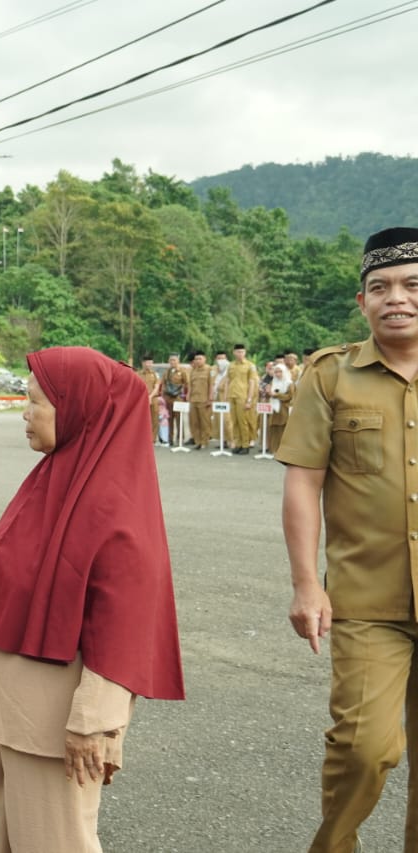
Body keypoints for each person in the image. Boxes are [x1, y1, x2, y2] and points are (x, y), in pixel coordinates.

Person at [0, 346, 185, 851]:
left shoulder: (115, 510)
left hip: (52, 726)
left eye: (35, 401)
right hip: (2, 705)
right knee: (7, 840)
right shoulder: (53, 478)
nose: (25, 412)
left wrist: (93, 722)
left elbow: (126, 623)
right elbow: (0, 577)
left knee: (55, 842)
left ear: (78, 408)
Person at [279, 226, 418, 853]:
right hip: (367, 602)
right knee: (364, 748)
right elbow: (303, 484)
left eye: (413, 285)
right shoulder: (332, 376)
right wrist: (307, 585)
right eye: (380, 287)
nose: (397, 298)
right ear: (361, 301)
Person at [226, 343, 259, 453]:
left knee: (243, 421)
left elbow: (252, 383)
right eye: (238, 352)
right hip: (232, 395)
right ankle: (238, 444)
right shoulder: (231, 365)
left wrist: (249, 399)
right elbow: (228, 380)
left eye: (242, 352)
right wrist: (226, 395)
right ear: (234, 352)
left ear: (245, 353)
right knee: (234, 421)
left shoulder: (250, 365)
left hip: (243, 396)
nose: (240, 354)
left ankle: (245, 444)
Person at [187, 351, 213, 449]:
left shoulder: (209, 370)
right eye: (196, 359)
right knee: (194, 421)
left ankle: (204, 441)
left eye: (200, 359)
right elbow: (190, 385)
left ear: (205, 359)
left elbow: (211, 385)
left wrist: (210, 398)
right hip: (194, 399)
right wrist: (188, 394)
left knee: (204, 422)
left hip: (204, 400)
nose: (198, 361)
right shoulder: (193, 371)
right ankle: (197, 441)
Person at [161, 353, 189, 445]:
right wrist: (163, 396)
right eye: (171, 360)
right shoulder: (167, 372)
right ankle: (170, 439)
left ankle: (180, 438)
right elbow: (163, 384)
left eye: (174, 360)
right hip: (168, 398)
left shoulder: (183, 371)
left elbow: (186, 384)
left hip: (178, 398)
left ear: (178, 361)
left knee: (179, 419)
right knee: (169, 420)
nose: (172, 362)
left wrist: (185, 394)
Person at [136, 355, 161, 443]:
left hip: (153, 399)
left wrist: (150, 397)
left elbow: (157, 387)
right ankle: (142, 438)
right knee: (142, 419)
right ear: (143, 363)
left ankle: (152, 439)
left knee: (154, 419)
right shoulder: (138, 374)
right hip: (141, 400)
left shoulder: (155, 374)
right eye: (147, 362)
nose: (149, 364)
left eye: (150, 362)